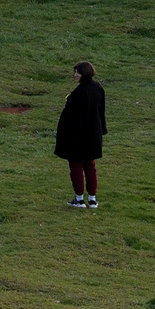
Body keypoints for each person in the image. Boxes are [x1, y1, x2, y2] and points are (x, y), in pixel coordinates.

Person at [56, 59, 106, 209]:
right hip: (93, 135)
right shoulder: (98, 88)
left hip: (77, 136)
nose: (75, 75)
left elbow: (69, 116)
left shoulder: (78, 92)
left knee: (76, 165)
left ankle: (79, 199)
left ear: (83, 73)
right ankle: (92, 198)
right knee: (90, 165)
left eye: (77, 72)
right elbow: (101, 111)